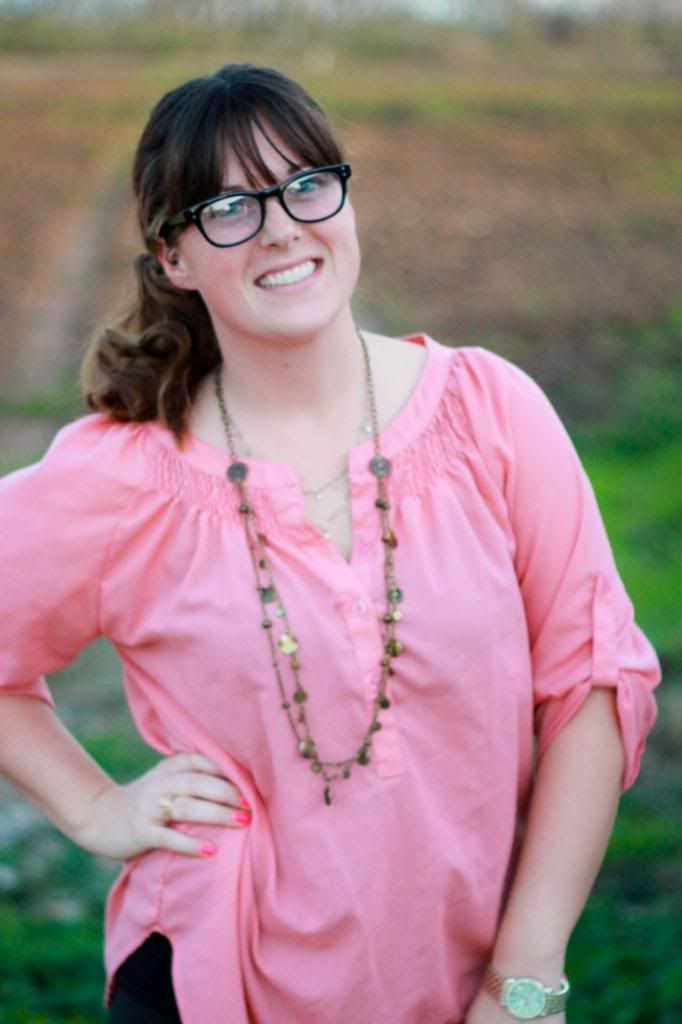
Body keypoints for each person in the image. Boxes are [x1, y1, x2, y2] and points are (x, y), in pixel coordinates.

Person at [0, 62, 661, 1024]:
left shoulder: (491, 412)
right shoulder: (125, 477)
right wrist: (96, 807)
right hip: (215, 985)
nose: (280, 227)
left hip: (475, 989)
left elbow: (591, 684)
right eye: (230, 207)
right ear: (174, 256)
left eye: (305, 184)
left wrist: (523, 977)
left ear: (344, 200)